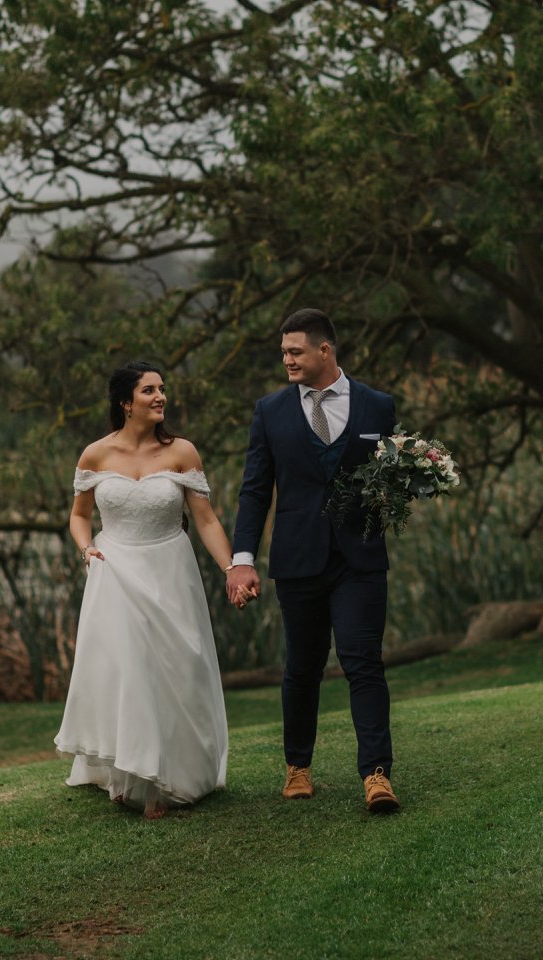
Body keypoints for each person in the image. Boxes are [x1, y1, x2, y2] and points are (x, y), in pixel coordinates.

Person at [227, 308, 401, 814]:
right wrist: (242, 559)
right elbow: (254, 491)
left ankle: (376, 774)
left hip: (359, 559)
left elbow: (390, 477)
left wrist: (403, 489)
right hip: (297, 559)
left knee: (363, 661)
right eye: (283, 352)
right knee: (302, 667)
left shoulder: (377, 405)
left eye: (295, 351)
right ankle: (298, 766)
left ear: (325, 350)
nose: (286, 360)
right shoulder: (270, 411)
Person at [55, 361, 234, 819]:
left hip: (170, 571)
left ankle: (175, 770)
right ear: (125, 402)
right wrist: (86, 549)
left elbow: (206, 520)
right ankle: (135, 779)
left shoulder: (182, 452)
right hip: (114, 568)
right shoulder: (95, 454)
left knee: (177, 668)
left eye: (162, 389)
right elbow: (79, 516)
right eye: (149, 390)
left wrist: (231, 568)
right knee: (129, 670)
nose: (161, 397)